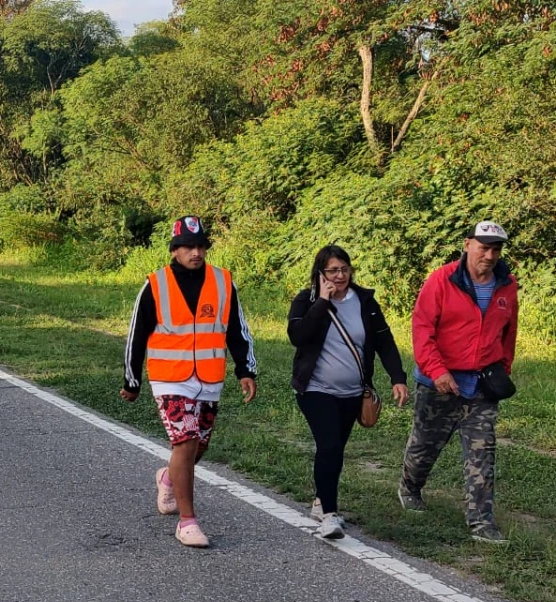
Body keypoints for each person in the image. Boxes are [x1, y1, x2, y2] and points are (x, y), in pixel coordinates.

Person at [121, 216, 258, 548]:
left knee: (198, 446)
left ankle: (168, 478)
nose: (196, 253)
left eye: (200, 247)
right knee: (185, 442)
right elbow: (136, 334)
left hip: (209, 377)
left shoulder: (224, 282)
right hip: (170, 379)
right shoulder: (155, 284)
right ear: (175, 249)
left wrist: (245, 370)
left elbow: (237, 331)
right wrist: (132, 378)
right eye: (188, 247)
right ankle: (187, 522)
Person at [398, 221, 519, 544]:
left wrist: (502, 371)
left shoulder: (507, 285)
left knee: (482, 451)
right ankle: (409, 487)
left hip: (482, 386)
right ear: (467, 244)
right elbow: (422, 329)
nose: (490, 255)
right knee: (424, 447)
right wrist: (437, 371)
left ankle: (481, 521)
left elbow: (509, 334)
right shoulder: (442, 279)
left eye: (496, 249)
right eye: (484, 247)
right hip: (439, 381)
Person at [287, 245, 409, 539]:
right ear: (320, 273)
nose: (340, 275)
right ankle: (329, 514)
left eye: (344, 269)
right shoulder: (306, 301)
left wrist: (398, 377)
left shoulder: (365, 301)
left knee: (336, 449)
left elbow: (385, 342)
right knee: (329, 445)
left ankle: (320, 500)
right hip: (315, 388)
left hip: (353, 392)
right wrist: (323, 302)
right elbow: (297, 336)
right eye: (332, 270)